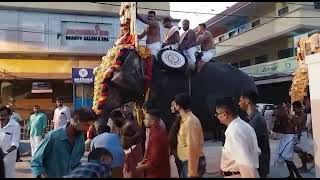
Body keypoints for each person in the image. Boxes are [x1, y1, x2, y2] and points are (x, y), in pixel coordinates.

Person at [30, 108, 96, 178]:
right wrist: (43, 175)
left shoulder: (80, 139)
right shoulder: (53, 136)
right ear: (76, 119)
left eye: (91, 126)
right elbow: (36, 162)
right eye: (86, 125)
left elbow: (75, 164)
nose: (88, 129)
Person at [215, 97, 261, 178]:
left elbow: (245, 164)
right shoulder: (245, 126)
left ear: (224, 114)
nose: (216, 116)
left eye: (217, 114)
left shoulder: (234, 132)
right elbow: (257, 151)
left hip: (238, 175)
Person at [173, 93, 206, 178]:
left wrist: (192, 172)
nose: (173, 106)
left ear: (178, 106)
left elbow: (193, 147)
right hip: (187, 161)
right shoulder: (184, 119)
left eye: (174, 104)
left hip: (192, 162)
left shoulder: (190, 122)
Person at [239, 90, 270, 178]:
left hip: (259, 165)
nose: (239, 103)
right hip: (258, 163)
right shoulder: (253, 118)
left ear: (247, 101)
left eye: (241, 101)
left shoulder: (256, 120)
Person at [109, 109, 144, 178]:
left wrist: (131, 139)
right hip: (126, 151)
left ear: (119, 117)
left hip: (134, 149)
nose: (114, 122)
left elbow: (140, 132)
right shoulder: (118, 125)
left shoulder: (129, 123)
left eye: (115, 120)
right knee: (126, 171)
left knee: (134, 171)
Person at [136, 109, 170, 178]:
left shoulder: (156, 136)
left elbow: (154, 162)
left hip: (157, 174)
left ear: (152, 120)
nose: (144, 120)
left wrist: (140, 168)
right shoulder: (156, 130)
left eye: (145, 118)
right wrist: (144, 161)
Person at [274, 103, 302, 178]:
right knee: (286, 158)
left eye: (286, 107)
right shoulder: (285, 116)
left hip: (289, 137)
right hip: (287, 137)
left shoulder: (287, 116)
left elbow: (296, 125)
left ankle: (298, 176)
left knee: (287, 158)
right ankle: (292, 175)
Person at [292, 101, 314, 173]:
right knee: (300, 151)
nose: (294, 110)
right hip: (299, 134)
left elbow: (298, 123)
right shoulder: (297, 114)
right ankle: (307, 161)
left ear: (299, 108)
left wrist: (294, 118)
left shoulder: (303, 115)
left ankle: (306, 165)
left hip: (302, 135)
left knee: (302, 152)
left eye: (295, 108)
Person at [0, 106, 21, 178]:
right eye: (0, 115)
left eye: (3, 115)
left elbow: (15, 143)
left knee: (8, 175)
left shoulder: (15, 125)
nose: (1, 117)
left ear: (9, 115)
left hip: (8, 156)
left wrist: (5, 153)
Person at [168, 100, 183, 177]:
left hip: (179, 149)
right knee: (179, 168)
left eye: (172, 105)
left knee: (182, 169)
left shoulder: (181, 118)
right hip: (174, 148)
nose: (171, 108)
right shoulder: (175, 117)